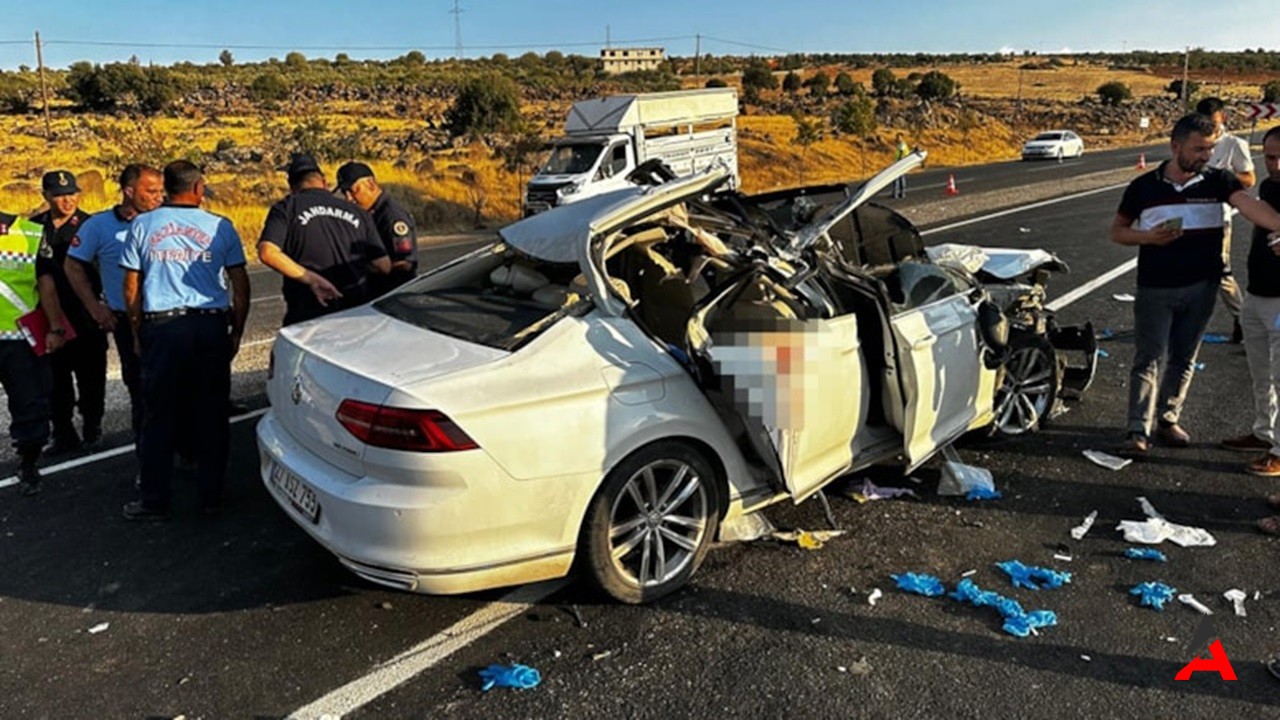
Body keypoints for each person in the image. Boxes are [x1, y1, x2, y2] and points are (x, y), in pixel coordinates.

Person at [1109, 113, 1280, 457]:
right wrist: (1149, 238)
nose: (1207, 156)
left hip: (1202, 287)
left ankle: (1168, 419)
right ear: (1175, 147)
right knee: (1149, 358)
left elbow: (1249, 207)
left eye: (1211, 149)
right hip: (1155, 287)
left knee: (1184, 358)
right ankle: (1137, 430)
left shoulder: (1218, 180)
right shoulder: (1143, 187)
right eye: (1199, 149)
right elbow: (1117, 232)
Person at [119, 160, 250, 521]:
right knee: (211, 413)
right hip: (208, 326)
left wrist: (136, 330)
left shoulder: (143, 225)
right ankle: (211, 497)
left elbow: (131, 285)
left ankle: (154, 500)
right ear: (198, 188)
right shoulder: (220, 226)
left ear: (166, 189)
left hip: (163, 328)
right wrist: (236, 330)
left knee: (159, 416)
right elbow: (239, 282)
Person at [64, 164, 165, 448]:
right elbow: (72, 265)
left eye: (161, 191)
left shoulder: (166, 220)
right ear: (129, 191)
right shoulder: (98, 225)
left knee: (175, 386)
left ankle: (184, 448)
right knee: (141, 389)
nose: (158, 196)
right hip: (127, 319)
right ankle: (147, 459)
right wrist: (95, 307)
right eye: (151, 191)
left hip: (169, 318)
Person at [258, 154, 390, 326]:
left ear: (292, 187)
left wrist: (311, 278)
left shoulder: (287, 208)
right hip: (355, 313)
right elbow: (383, 265)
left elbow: (268, 252)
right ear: (324, 181)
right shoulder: (358, 212)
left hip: (308, 314)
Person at [31, 170, 104, 455]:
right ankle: (62, 432)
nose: (67, 200)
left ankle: (92, 425)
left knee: (91, 376)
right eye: (60, 195)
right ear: (46, 196)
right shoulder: (33, 228)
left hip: (85, 314)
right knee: (53, 380)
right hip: (48, 315)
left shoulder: (91, 225)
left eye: (72, 193)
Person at [1225, 128, 1280, 483]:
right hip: (1258, 292)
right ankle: (1264, 432)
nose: (1276, 164)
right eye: (1270, 156)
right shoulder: (1271, 187)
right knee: (1261, 374)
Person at [0, 208, 67, 495]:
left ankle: (28, 464)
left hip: (19, 339)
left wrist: (55, 327)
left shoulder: (29, 232)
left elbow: (46, 284)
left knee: (31, 406)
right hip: (17, 341)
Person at [1196, 97, 1256, 343]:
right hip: (1187, 214)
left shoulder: (1234, 144)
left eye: (1212, 123)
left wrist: (1223, 178)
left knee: (1220, 272)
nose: (1207, 128)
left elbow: (1250, 178)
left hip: (1217, 219)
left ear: (1223, 119)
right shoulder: (1193, 140)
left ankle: (1243, 318)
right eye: (1202, 123)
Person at [334, 161, 419, 295]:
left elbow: (404, 264)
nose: (349, 198)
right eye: (345, 193)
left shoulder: (391, 216)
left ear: (370, 183)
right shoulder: (368, 214)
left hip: (393, 295)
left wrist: (364, 267)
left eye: (353, 190)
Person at [892, 134, 910, 199]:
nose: (897, 139)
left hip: (900, 164)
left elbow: (901, 154)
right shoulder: (900, 145)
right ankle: (900, 193)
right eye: (897, 137)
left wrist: (898, 163)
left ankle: (897, 194)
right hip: (900, 163)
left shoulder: (902, 145)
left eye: (898, 138)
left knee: (898, 179)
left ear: (902, 138)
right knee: (900, 178)